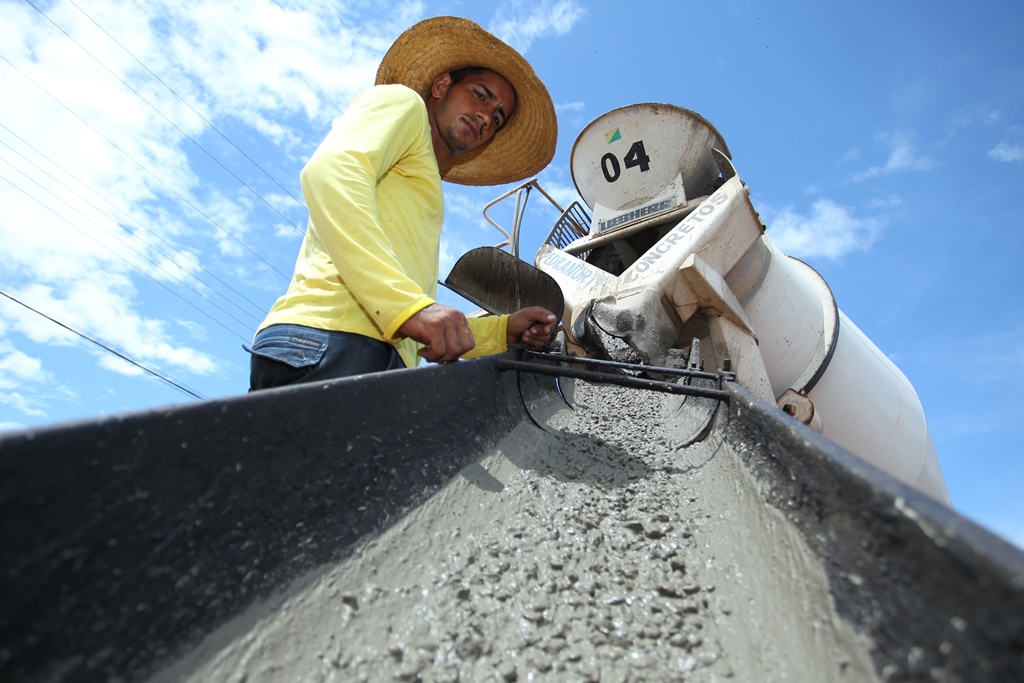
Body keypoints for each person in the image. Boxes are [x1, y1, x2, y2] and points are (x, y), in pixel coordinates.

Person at [247, 16, 560, 390]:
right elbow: (330, 171)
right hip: (334, 337)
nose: (485, 117)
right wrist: (409, 309)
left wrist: (501, 330)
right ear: (442, 85)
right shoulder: (405, 103)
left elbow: (415, 315)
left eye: (497, 118)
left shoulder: (419, 181)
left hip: (372, 350)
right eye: (480, 94)